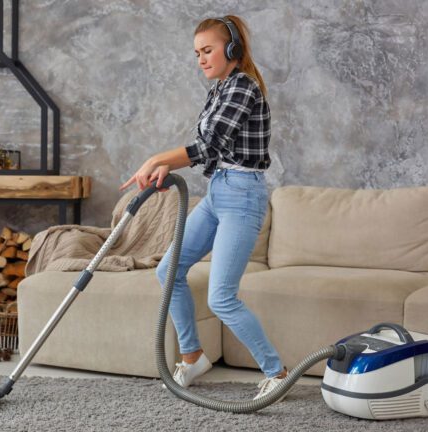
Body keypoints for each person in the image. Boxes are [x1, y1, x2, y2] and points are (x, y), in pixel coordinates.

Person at [119, 15, 287, 401]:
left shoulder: (243, 87)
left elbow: (209, 144)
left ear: (232, 50)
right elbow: (207, 151)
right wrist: (164, 165)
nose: (201, 59)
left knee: (221, 297)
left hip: (243, 194)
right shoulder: (220, 89)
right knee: (168, 269)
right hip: (218, 191)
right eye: (197, 53)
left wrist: (156, 158)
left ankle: (276, 373)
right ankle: (193, 355)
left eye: (207, 50)